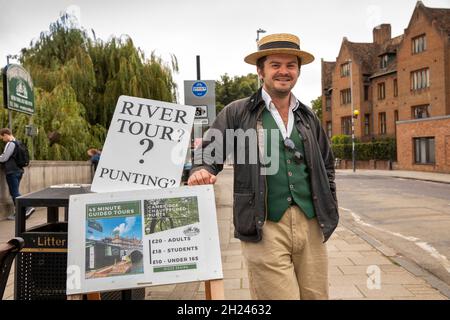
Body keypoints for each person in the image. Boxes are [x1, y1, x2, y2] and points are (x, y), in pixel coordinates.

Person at [188, 33, 338, 300]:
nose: (284, 71)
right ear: (261, 71)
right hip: (264, 223)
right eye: (275, 65)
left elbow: (327, 164)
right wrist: (203, 169)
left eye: (291, 65)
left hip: (311, 222)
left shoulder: (307, 116)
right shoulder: (239, 111)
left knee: (317, 296)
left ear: (298, 71)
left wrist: (330, 204)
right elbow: (209, 152)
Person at [0, 128, 35, 220]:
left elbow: (4, 158)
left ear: (6, 135)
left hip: (12, 171)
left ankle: (28, 207)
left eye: (2, 137)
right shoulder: (18, 143)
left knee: (15, 192)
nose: (2, 140)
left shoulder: (10, 143)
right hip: (19, 171)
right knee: (14, 192)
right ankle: (19, 213)